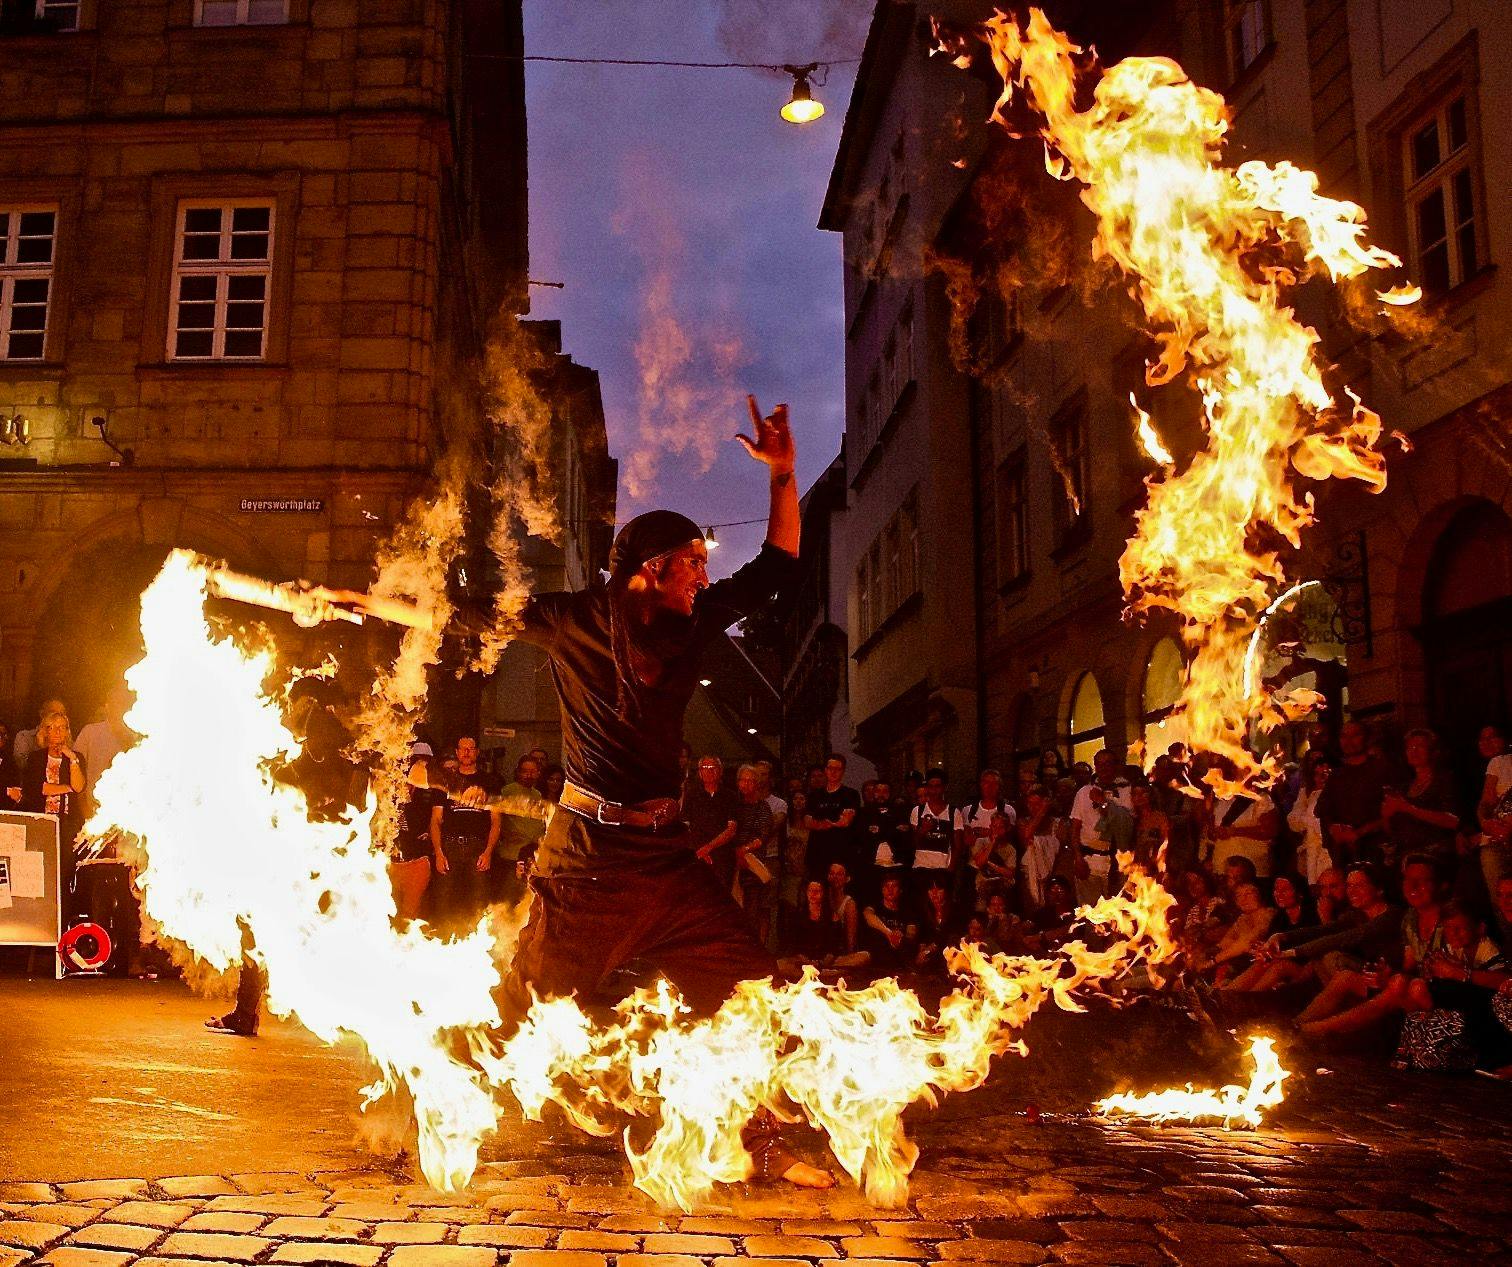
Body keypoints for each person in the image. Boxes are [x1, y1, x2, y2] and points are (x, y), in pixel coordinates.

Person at [472, 397, 830, 1188]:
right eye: (693, 562)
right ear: (651, 568)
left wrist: (783, 474)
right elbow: (469, 618)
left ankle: (763, 1139)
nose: (705, 575)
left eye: (705, 562)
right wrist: (359, 603)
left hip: (666, 864)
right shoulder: (571, 620)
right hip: (587, 867)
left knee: (753, 989)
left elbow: (779, 568)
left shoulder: (695, 624)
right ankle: (428, 1102)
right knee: (515, 1014)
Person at [429, 736, 502, 934]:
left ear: (477, 752)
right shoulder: (445, 782)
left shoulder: (489, 782)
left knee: (479, 900)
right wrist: (439, 852)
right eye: (463, 749)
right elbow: (435, 820)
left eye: (471, 748)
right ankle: (443, 939)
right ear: (457, 752)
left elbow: (496, 821)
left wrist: (488, 852)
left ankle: (477, 944)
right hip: (450, 846)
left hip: (477, 847)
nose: (467, 752)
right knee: (443, 898)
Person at [17, 712, 86, 911]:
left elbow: (79, 786)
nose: (56, 732)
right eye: (51, 727)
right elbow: (40, 788)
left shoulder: (76, 758)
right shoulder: (36, 758)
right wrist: (67, 788)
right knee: (42, 871)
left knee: (64, 873)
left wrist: (72, 759)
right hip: (42, 823)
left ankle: (64, 915)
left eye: (61, 727)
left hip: (66, 824)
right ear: (45, 731)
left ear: (67, 731)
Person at [1381, 729, 1460, 870]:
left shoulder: (1444, 780)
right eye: (1410, 747)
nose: (1414, 751)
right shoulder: (1404, 788)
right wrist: (1387, 815)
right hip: (1406, 854)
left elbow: (1453, 821)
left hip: (1435, 852)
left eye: (1420, 746)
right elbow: (1392, 830)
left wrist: (1408, 808)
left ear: (1433, 751)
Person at [1315, 720, 1388, 866]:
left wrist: (1360, 832)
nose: (1348, 741)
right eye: (1344, 736)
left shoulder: (1381, 770)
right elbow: (1322, 808)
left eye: (1355, 735)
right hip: (1343, 851)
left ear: (1366, 738)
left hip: (1374, 848)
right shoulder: (1338, 775)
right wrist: (1333, 828)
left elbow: (1392, 812)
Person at [1069, 750, 1133, 902]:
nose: (1103, 768)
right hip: (1090, 861)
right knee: (1091, 913)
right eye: (1099, 764)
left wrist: (1104, 804)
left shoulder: (1126, 791)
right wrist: (1078, 858)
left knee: (1119, 915)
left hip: (1118, 862)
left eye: (1108, 763)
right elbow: (1075, 828)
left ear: (1115, 766)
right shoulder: (1083, 793)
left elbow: (1126, 826)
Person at [393, 741, 441, 921]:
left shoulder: (431, 791)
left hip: (417, 860)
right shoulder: (390, 787)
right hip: (392, 861)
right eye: (417, 760)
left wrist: (429, 832)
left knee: (409, 914)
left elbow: (437, 818)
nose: (421, 765)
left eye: (425, 761)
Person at [1206, 762, 1279, 878]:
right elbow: (1211, 833)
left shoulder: (1262, 800)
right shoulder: (1223, 798)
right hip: (1222, 867)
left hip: (1251, 867)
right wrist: (1214, 832)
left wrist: (1235, 832)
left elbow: (1270, 830)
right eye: (1238, 769)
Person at [73, 684, 135, 819]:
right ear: (107, 706)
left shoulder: (136, 738)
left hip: (127, 813)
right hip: (93, 809)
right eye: (117, 703)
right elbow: (77, 769)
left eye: (124, 703)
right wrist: (84, 809)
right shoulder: (90, 732)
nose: (121, 708)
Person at [955, 769, 1014, 908]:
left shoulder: (1008, 810)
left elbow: (1008, 836)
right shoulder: (968, 810)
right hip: (975, 867)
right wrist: (988, 834)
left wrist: (983, 833)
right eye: (986, 783)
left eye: (994, 783)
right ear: (980, 785)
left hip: (1000, 867)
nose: (990, 787)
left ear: (1000, 786)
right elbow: (968, 840)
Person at [495, 754, 548, 905]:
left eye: (532, 771)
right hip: (510, 855)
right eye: (525, 771)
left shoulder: (537, 795)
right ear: (518, 771)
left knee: (527, 902)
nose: (528, 774)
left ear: (538, 773)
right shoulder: (506, 791)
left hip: (532, 858)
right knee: (506, 902)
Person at [733, 764, 777, 941]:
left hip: (752, 864)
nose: (746, 784)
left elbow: (762, 836)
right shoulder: (733, 804)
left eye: (751, 781)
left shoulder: (762, 807)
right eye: (743, 780)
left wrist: (744, 850)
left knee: (752, 911)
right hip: (732, 863)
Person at [685, 754, 738, 888]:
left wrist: (708, 847)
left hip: (722, 857)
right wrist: (698, 850)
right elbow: (685, 824)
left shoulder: (730, 796)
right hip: (697, 855)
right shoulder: (691, 795)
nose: (709, 770)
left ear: (720, 770)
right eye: (705, 767)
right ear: (700, 772)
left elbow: (731, 830)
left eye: (713, 767)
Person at [803, 754, 860, 880]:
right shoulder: (814, 795)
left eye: (837, 769)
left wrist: (821, 824)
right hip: (817, 852)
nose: (833, 772)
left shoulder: (850, 794)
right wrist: (827, 824)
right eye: (830, 768)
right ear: (825, 770)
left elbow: (846, 821)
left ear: (843, 771)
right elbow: (807, 822)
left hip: (840, 852)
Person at [1017, 782, 1070, 915]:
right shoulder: (1023, 822)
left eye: (1037, 804)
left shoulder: (1059, 824)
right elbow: (1026, 835)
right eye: (1030, 803)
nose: (1033, 808)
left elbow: (1063, 847)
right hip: (1031, 875)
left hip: (1055, 873)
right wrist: (1040, 812)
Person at [853, 777, 909, 901]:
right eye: (878, 791)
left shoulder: (899, 812)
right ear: (874, 793)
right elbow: (860, 836)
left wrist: (880, 831)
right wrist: (892, 830)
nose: (881, 794)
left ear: (890, 794)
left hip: (895, 867)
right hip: (871, 865)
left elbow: (903, 835)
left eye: (885, 791)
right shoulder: (863, 813)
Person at [1287, 751, 1333, 886]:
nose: (1321, 779)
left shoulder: (1337, 794)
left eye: (1325, 774)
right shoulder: (1308, 793)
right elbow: (1293, 820)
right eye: (1317, 775)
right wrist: (1308, 820)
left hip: (1328, 853)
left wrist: (1310, 821)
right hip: (1311, 853)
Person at [909, 767, 956, 897]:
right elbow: (913, 843)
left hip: (942, 868)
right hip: (921, 867)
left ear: (944, 787)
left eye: (938, 786)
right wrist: (923, 830)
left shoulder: (953, 812)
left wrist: (950, 869)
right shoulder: (917, 811)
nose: (934, 790)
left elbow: (957, 845)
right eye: (931, 786)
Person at [861, 872, 916, 978]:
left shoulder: (908, 912)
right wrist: (889, 933)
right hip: (876, 960)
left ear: (900, 890)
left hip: (899, 959)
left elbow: (911, 934)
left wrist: (901, 938)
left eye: (894, 886)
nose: (890, 889)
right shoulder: (875, 907)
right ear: (882, 890)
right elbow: (867, 915)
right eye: (887, 886)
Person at [12, 697, 65, 768]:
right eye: (54, 712)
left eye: (62, 713)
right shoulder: (24, 737)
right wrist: (43, 749)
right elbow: (23, 766)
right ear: (42, 714)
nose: (58, 717)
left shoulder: (67, 740)